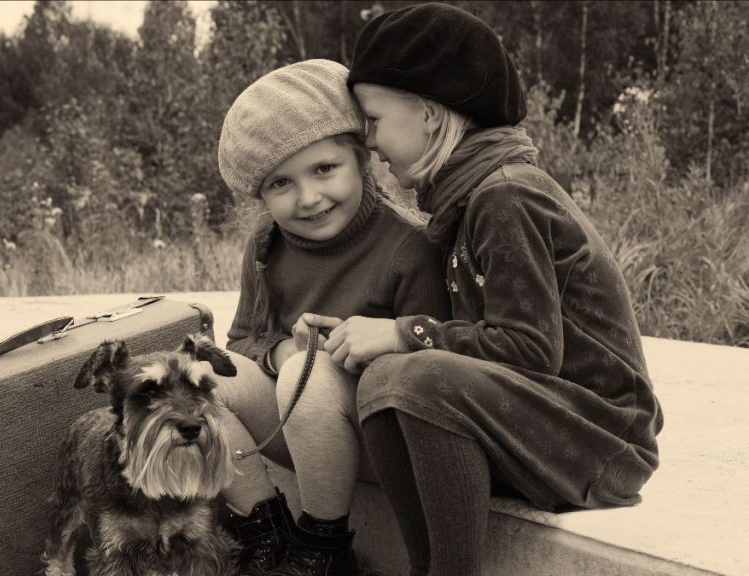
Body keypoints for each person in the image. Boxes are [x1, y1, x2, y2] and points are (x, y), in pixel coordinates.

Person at [298, 4, 664, 576]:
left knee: (416, 375)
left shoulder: (506, 196)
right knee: (385, 377)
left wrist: (402, 333)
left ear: (427, 112)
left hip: (600, 439)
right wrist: (362, 331)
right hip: (538, 423)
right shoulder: (462, 201)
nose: (369, 142)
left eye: (372, 119)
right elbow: (468, 338)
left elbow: (530, 349)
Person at [215, 59, 450, 576]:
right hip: (293, 424)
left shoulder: (409, 247)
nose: (309, 198)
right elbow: (241, 345)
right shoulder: (265, 244)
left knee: (309, 374)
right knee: (199, 377)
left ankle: (323, 547)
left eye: (324, 169)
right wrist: (284, 350)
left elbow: (439, 372)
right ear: (261, 195)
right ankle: (266, 530)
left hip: (378, 443)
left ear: (361, 157)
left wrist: (347, 356)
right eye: (281, 184)